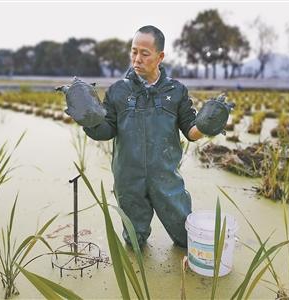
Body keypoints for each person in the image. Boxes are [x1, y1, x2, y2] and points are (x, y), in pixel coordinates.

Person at [82, 25, 219, 248]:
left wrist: (206, 125)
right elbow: (106, 130)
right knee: (134, 241)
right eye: (134, 51)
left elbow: (190, 131)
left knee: (186, 238)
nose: (137, 58)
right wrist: (88, 119)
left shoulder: (176, 91)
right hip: (128, 178)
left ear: (160, 56)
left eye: (144, 53)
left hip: (165, 178)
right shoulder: (118, 91)